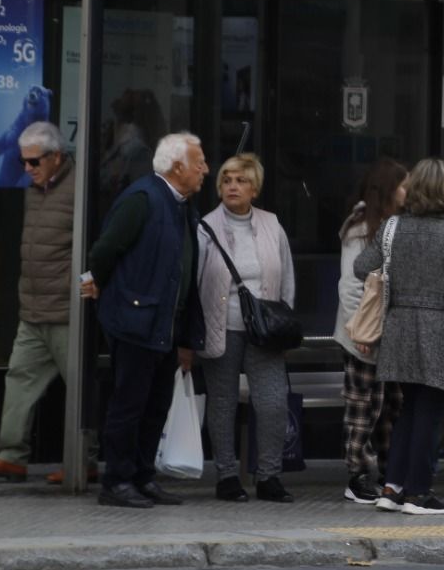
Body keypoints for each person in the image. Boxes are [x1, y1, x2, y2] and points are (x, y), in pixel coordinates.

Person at [355, 158, 444, 515]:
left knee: (408, 409)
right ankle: (417, 493)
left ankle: (391, 487)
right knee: (429, 414)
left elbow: (360, 267)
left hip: (401, 328)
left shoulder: (393, 226)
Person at [80, 131, 209, 509]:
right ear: (177, 166)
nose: (205, 168)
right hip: (135, 321)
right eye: (198, 161)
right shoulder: (142, 199)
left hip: (164, 325)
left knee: (155, 406)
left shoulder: (181, 204)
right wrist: (103, 285)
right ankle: (116, 482)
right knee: (129, 405)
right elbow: (104, 251)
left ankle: (142, 477)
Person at [0, 122, 92, 485]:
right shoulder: (33, 188)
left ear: (56, 156)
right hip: (33, 309)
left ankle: (85, 461)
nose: (27, 169)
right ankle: (11, 456)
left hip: (67, 312)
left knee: (80, 389)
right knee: (19, 379)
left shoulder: (80, 189)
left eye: (34, 162)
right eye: (23, 162)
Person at [196, 153, 298, 504]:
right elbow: (195, 282)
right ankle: (226, 476)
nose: (232, 187)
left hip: (265, 331)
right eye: (226, 180)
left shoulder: (272, 224)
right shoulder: (205, 227)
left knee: (272, 402)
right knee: (222, 402)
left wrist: (283, 323)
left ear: (254, 188)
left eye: (240, 181)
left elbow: (286, 278)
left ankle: (269, 476)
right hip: (220, 327)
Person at [333, 158, 409, 504]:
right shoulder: (360, 227)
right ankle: (358, 473)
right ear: (387, 190)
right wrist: (359, 331)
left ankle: (388, 469)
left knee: (390, 403)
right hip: (362, 334)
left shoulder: (396, 224)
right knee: (364, 406)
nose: (408, 191)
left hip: (390, 333)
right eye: (403, 185)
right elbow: (350, 285)